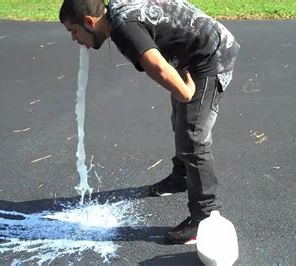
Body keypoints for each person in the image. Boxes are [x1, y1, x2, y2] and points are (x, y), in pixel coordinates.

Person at [59, 0, 239, 245]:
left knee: (193, 134)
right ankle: (182, 176)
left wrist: (186, 93)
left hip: (210, 55)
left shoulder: (123, 27)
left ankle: (204, 217)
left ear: (89, 22)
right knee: (181, 118)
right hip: (195, 51)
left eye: (73, 31)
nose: (74, 39)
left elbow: (157, 66)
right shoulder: (117, 11)